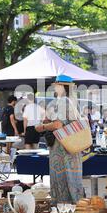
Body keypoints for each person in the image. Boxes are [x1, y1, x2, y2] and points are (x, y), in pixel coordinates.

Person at [35, 75, 83, 204]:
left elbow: (58, 124)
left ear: (62, 86)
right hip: (71, 147)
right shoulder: (72, 101)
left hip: (62, 149)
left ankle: (65, 211)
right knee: (72, 180)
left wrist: (42, 126)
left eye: (56, 84)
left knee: (63, 181)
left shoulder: (63, 101)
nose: (54, 87)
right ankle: (75, 208)